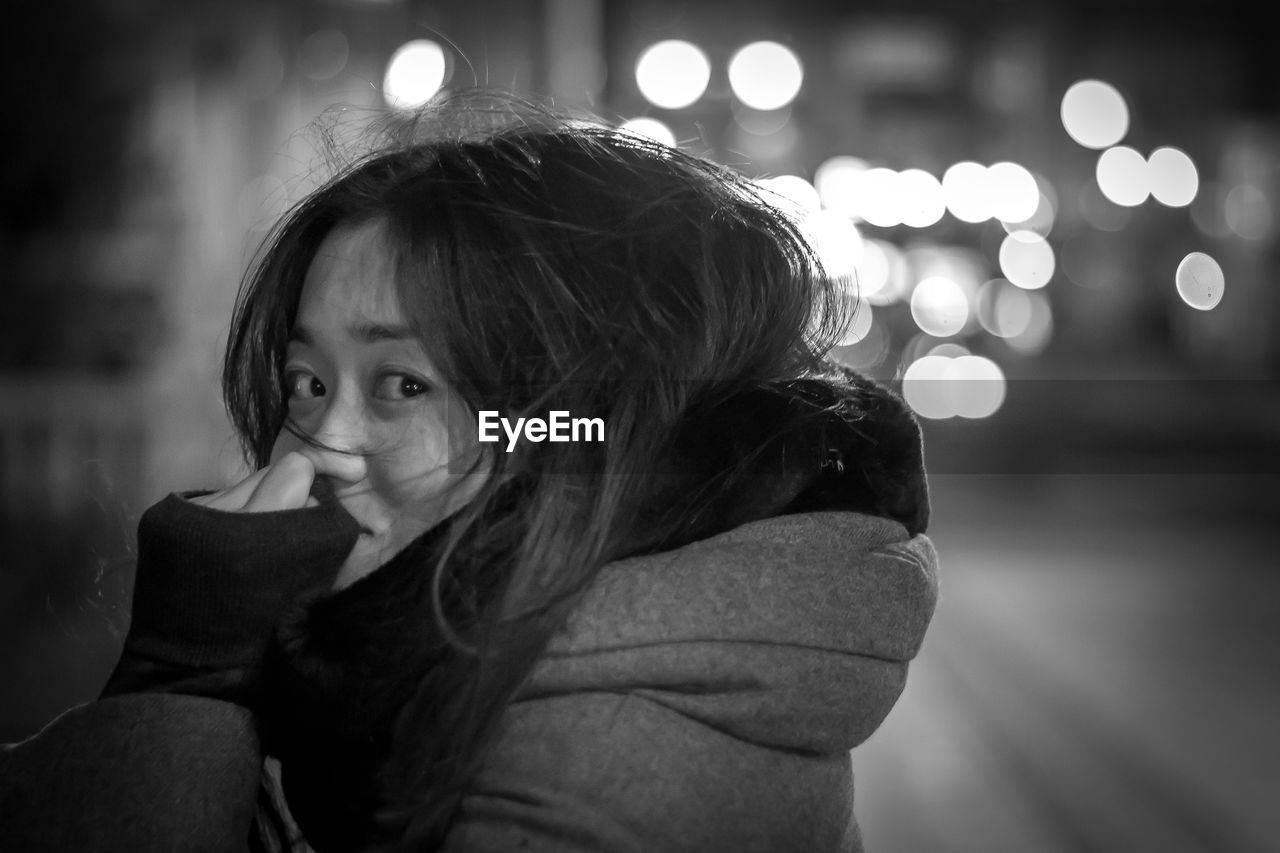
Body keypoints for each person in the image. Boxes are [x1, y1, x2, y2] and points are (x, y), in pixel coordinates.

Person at [0, 93, 938, 852]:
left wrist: (187, 684)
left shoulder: (592, 775)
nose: (323, 441)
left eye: (404, 382)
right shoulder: (450, 673)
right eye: (307, 380)